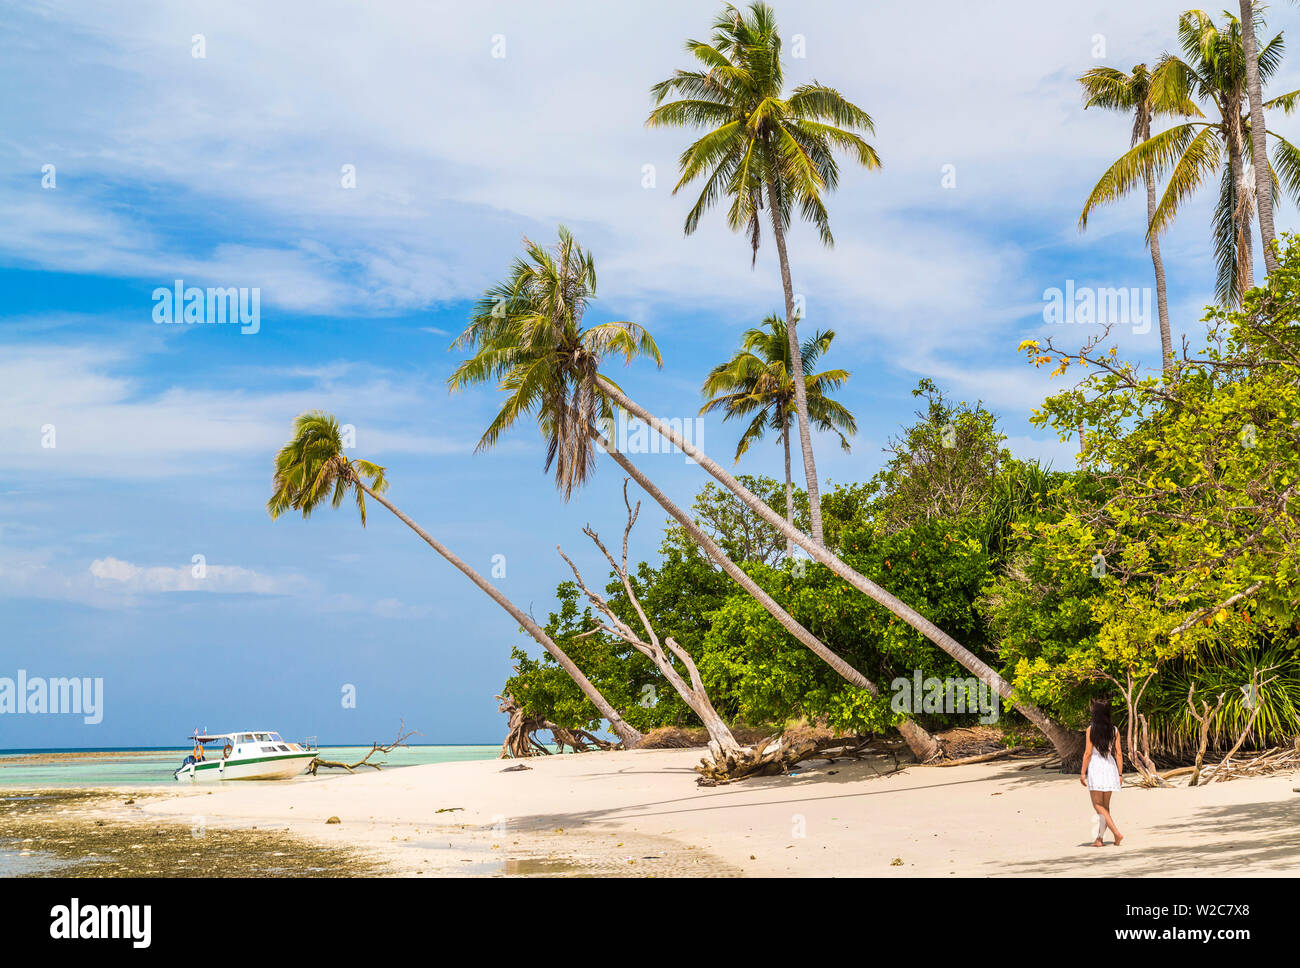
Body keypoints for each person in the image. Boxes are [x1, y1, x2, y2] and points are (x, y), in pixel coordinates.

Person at [1080, 699, 1124, 846]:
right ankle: (1099, 839)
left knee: (1098, 805)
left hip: (1097, 767)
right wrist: (1119, 773)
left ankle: (1117, 833)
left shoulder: (1090, 730)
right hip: (1110, 766)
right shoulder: (1114, 730)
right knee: (1105, 806)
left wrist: (1082, 772)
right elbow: (1118, 753)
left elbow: (1087, 753)